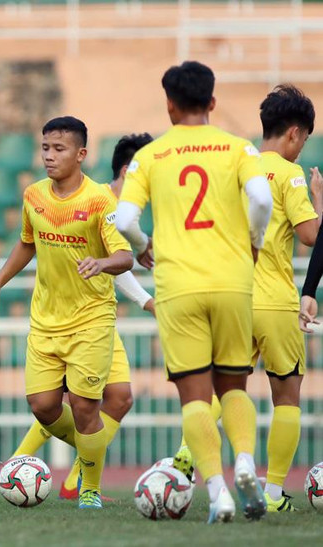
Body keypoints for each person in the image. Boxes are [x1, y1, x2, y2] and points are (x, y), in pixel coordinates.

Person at [116, 60, 273, 523]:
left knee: (195, 397)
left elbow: (124, 220)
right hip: (232, 281)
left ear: (169, 105)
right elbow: (262, 199)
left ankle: (219, 492)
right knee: (234, 385)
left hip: (178, 286)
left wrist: (143, 246)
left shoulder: (151, 156)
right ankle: (245, 461)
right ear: (212, 102)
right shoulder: (239, 148)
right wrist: (254, 241)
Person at [0, 116, 134, 510]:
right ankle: (91, 448)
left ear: (81, 154)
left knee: (85, 407)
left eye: (59, 149)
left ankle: (89, 490)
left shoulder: (100, 199)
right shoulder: (33, 195)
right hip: (46, 320)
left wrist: (102, 263)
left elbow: (125, 255)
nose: (49, 156)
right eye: (45, 148)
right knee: (43, 406)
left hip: (91, 319)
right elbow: (26, 243)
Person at [249, 85, 320, 512]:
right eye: (305, 139)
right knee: (287, 398)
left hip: (234, 297)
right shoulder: (288, 173)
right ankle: (273, 493)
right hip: (274, 300)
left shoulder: (238, 165)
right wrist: (319, 200)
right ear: (294, 133)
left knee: (222, 391)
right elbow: (311, 236)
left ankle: (185, 467)